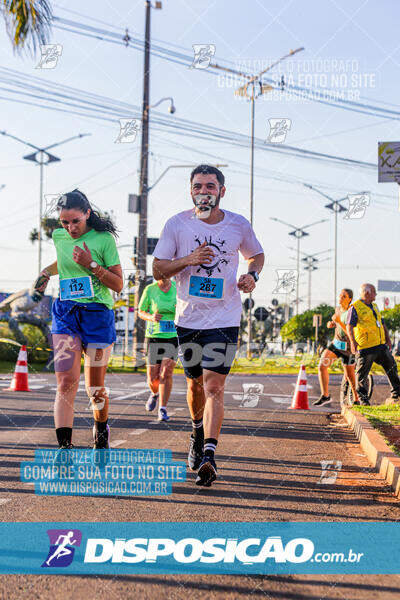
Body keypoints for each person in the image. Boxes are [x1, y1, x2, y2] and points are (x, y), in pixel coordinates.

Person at [152, 164, 264, 487]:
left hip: (226, 318)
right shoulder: (177, 225)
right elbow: (158, 269)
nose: (204, 191)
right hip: (189, 320)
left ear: (221, 192)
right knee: (195, 386)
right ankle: (197, 432)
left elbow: (257, 255)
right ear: (191, 191)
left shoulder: (238, 224)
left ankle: (210, 457)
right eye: (198, 186)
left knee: (214, 386)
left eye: (210, 186)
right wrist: (188, 259)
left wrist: (251, 276)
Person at [32, 189, 123, 450]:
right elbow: (64, 262)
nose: (70, 228)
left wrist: (91, 264)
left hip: (97, 316)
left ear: (87, 214)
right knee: (65, 381)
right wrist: (45, 273)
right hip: (66, 313)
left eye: (76, 221)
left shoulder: (103, 239)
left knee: (95, 387)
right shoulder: (59, 236)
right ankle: (65, 447)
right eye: (64, 222)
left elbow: (118, 284)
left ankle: (101, 427)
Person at [347, 283, 400, 406]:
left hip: (380, 346)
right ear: (367, 293)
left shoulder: (374, 306)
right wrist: (353, 343)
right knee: (362, 375)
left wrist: (387, 338)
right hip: (366, 347)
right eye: (374, 292)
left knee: (391, 365)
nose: (376, 295)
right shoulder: (355, 308)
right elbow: (349, 326)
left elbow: (382, 323)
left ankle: (397, 393)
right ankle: (363, 399)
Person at [138, 277, 178, 421]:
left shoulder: (178, 287)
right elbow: (140, 311)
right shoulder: (150, 289)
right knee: (152, 377)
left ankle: (162, 408)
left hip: (173, 335)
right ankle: (154, 393)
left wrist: (179, 309)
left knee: (166, 373)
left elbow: (190, 306)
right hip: (154, 335)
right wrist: (151, 316)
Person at [314, 288, 358, 406]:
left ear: (349, 299)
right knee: (322, 366)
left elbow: (350, 332)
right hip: (336, 343)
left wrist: (339, 321)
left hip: (348, 347)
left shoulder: (352, 311)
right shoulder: (337, 309)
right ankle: (325, 395)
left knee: (349, 375)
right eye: (340, 295)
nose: (340, 298)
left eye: (344, 296)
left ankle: (356, 398)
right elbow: (335, 321)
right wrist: (332, 324)